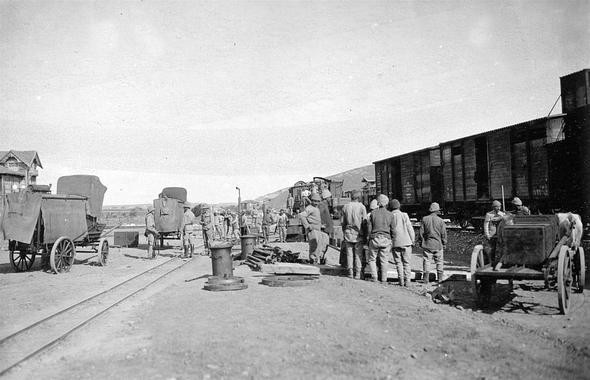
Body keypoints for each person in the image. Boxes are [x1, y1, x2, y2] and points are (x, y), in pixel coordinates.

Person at [367, 194, 394, 283]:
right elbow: (393, 229)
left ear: (378, 203)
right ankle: (384, 279)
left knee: (372, 259)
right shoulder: (390, 214)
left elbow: (369, 228)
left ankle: (374, 277)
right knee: (384, 260)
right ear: (386, 203)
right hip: (386, 239)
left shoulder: (373, 213)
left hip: (374, 238)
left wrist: (369, 238)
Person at [341, 190, 367, 278]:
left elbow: (342, 222)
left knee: (349, 253)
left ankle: (350, 272)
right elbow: (365, 222)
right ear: (359, 197)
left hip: (348, 232)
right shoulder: (362, 207)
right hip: (358, 233)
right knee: (358, 254)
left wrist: (344, 231)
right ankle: (358, 273)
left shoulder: (345, 206)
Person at [419, 202, 447, 284]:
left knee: (427, 261)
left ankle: (426, 279)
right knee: (439, 262)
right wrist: (444, 243)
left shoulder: (424, 219)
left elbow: (421, 233)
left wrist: (421, 241)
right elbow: (443, 234)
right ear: (437, 211)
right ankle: (440, 279)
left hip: (428, 244)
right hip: (438, 245)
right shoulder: (441, 221)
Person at [390, 199, 415, 287]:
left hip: (395, 242)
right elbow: (409, 228)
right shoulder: (404, 215)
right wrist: (413, 240)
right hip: (406, 242)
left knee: (398, 263)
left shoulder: (390, 216)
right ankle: (407, 281)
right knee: (406, 263)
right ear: (399, 206)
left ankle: (401, 280)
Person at [299, 193, 329, 264]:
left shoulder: (316, 208)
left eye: (318, 201)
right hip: (312, 229)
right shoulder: (309, 208)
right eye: (315, 201)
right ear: (312, 201)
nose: (316, 203)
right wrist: (308, 226)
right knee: (314, 244)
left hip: (318, 229)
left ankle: (321, 257)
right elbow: (301, 216)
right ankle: (313, 260)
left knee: (324, 242)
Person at [484, 200, 506, 264]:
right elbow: (486, 225)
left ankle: (499, 261)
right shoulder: (489, 214)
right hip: (492, 235)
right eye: (497, 207)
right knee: (492, 249)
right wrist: (487, 234)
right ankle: (491, 261)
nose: (498, 208)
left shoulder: (502, 214)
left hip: (500, 235)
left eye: (499, 207)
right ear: (493, 207)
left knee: (500, 249)